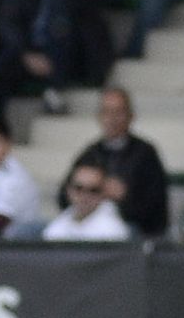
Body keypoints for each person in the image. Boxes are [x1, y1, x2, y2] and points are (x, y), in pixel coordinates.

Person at [68, 85, 168, 238]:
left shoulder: (146, 154)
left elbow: (156, 208)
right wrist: (86, 192)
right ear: (99, 116)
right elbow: (63, 194)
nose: (112, 119)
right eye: (107, 112)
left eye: (118, 112)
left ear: (130, 116)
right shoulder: (90, 153)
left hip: (132, 229)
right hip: (88, 224)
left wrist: (125, 196)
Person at [43, 160, 129, 240]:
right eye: (79, 188)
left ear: (104, 193)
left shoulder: (112, 231)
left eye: (94, 190)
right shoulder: (62, 221)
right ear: (68, 189)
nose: (85, 195)